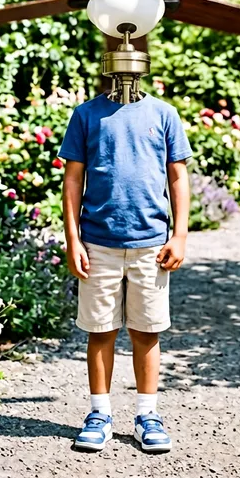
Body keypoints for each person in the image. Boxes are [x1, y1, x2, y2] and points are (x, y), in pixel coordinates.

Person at [59, 90, 192, 454]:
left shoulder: (164, 113)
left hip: (151, 244)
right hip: (97, 243)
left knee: (146, 332)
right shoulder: (86, 115)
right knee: (100, 330)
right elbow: (72, 179)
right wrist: (73, 239)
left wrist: (179, 235)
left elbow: (178, 176)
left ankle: (147, 416)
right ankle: (99, 415)